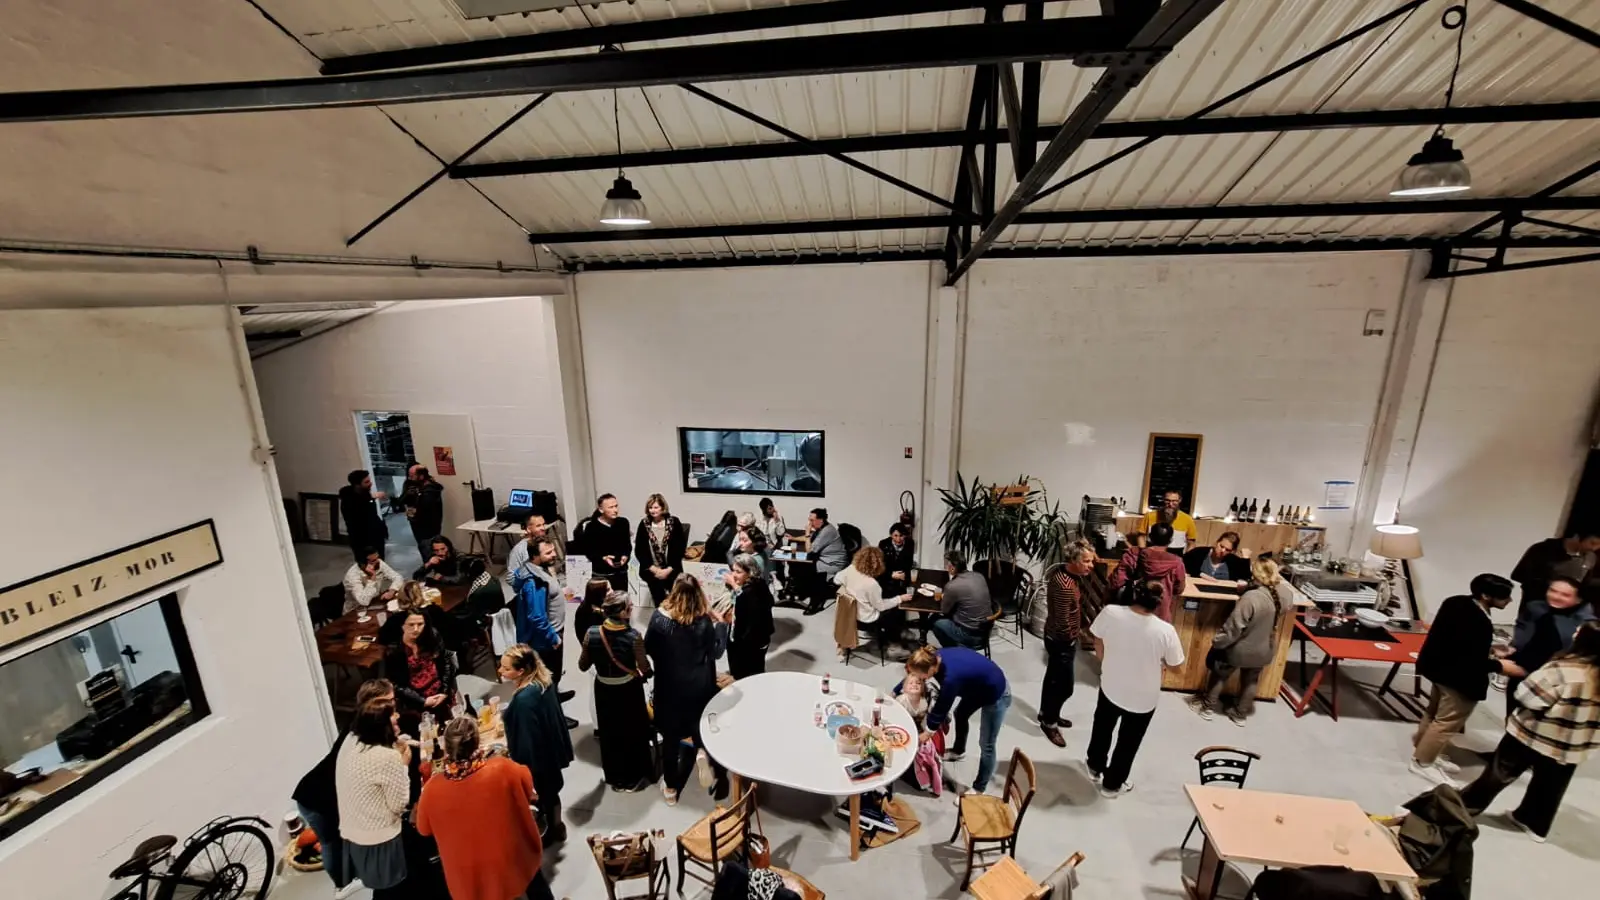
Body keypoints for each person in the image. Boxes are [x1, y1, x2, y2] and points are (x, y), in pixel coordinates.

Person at [1458, 621, 1600, 843]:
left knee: (1497, 775)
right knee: (1551, 786)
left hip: (1532, 735)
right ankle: (1533, 823)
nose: (1574, 631)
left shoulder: (1563, 670)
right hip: (1572, 746)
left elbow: (1528, 696)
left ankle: (1461, 809)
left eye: (1579, 630)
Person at [415, 717, 556, 900]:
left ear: (446, 749)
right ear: (477, 742)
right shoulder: (502, 769)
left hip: (469, 876)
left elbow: (423, 828)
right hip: (514, 859)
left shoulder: (431, 790)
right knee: (536, 886)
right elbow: (528, 786)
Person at [1407, 573, 1518, 784]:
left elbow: (1457, 641)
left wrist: (1490, 649)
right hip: (1457, 679)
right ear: (1486, 596)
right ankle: (1423, 762)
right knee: (1446, 722)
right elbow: (1468, 659)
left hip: (1437, 669)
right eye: (1505, 596)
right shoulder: (1478, 620)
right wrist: (1500, 666)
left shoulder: (1456, 602)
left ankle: (1425, 750)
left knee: (1433, 713)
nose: (1510, 601)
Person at [292, 679, 394, 898]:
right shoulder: (360, 732)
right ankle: (342, 886)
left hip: (325, 794)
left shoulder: (365, 723)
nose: (394, 706)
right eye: (389, 701)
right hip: (316, 799)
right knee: (331, 843)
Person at [1087, 580, 1185, 799]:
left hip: (1111, 684)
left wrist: (1105, 660)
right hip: (1143, 697)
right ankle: (1112, 785)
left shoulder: (1111, 613)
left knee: (1102, 727)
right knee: (1128, 742)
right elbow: (1177, 667)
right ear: (1159, 603)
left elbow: (1097, 639)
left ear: (1133, 594)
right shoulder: (1165, 631)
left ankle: (1094, 766)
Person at [645, 573, 731, 805]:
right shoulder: (702, 623)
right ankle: (702, 751)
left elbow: (649, 647)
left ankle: (671, 788)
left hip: (669, 685)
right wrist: (722, 625)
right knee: (697, 722)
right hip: (698, 684)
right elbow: (715, 652)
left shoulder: (660, 620)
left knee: (670, 738)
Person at [1187, 559, 1294, 726]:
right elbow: (1279, 602)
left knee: (1220, 674)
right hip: (1264, 649)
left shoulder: (1251, 598)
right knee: (1251, 680)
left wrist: (1217, 642)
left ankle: (1207, 708)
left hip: (1239, 649)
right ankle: (1240, 715)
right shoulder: (1285, 593)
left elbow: (1233, 628)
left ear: (1255, 574)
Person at [905, 645, 1011, 794]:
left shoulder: (951, 678)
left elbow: (942, 707)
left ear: (931, 670)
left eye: (922, 677)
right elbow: (913, 677)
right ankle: (959, 751)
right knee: (960, 714)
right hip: (977, 686)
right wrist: (895, 692)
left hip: (996, 693)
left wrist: (926, 733)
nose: (921, 680)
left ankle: (979, 788)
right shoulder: (931, 657)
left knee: (987, 744)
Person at [578, 591, 656, 792]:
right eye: (630, 606)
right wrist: (646, 673)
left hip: (604, 689)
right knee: (632, 731)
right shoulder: (633, 637)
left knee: (610, 732)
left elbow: (583, 665)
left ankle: (615, 777)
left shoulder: (591, 633)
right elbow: (645, 667)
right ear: (623, 612)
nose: (632, 608)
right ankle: (633, 777)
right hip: (628, 690)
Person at [334, 698, 412, 900]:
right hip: (382, 840)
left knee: (382, 891)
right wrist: (403, 765)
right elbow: (399, 804)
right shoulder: (387, 757)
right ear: (382, 727)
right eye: (393, 720)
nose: (398, 720)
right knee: (395, 890)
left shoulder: (355, 746)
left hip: (356, 838)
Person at [499, 644, 574, 844]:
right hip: (550, 751)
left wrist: (523, 770)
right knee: (552, 793)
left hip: (538, 760)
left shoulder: (524, 700)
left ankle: (550, 831)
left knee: (544, 795)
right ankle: (557, 826)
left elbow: (527, 740)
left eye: (506, 668)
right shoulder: (543, 682)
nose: (500, 671)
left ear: (521, 671)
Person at [511, 536, 577, 728]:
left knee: (553, 675)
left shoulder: (540, 569)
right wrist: (553, 637)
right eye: (548, 553)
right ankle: (555, 716)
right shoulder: (534, 582)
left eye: (553, 550)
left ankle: (555, 696)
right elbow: (537, 616)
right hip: (545, 640)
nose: (554, 554)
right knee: (547, 678)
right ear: (534, 556)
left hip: (552, 633)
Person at [1039, 544, 1095, 747]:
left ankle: (1046, 713)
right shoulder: (1064, 584)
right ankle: (1049, 723)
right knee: (1064, 687)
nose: (1091, 565)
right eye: (1086, 561)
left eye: (1091, 560)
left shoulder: (1070, 575)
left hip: (1057, 636)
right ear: (1073, 561)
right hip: (1061, 640)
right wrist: (1072, 638)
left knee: (1053, 679)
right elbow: (1062, 619)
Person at [384, 609, 462, 733]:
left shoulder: (432, 636)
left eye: (420, 624)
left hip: (441, 690)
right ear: (402, 626)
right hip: (416, 699)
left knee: (455, 726)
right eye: (411, 625)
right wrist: (423, 701)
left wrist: (444, 691)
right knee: (430, 733)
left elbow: (447, 662)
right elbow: (396, 685)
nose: (416, 629)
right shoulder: (394, 650)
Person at [833, 545, 906, 661]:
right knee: (895, 611)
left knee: (887, 604)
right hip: (866, 620)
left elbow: (836, 579)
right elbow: (881, 607)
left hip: (849, 616)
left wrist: (849, 590)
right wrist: (899, 599)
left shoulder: (851, 569)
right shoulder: (872, 584)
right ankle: (894, 646)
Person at [1108, 523, 1187, 621]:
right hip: (1160, 615)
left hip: (1133, 610)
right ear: (1170, 541)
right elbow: (1179, 589)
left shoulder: (1134, 554)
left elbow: (1117, 581)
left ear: (1150, 537)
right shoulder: (1177, 562)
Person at [1511, 529, 1599, 609]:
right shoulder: (1543, 549)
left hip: (1565, 611)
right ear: (1577, 537)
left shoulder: (1591, 557)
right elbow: (1519, 575)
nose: (1594, 548)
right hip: (1535, 606)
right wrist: (1553, 587)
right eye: (1592, 543)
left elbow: (1585, 583)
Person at [726, 555, 776, 678]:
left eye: (738, 572)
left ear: (750, 573)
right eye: (733, 570)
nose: (733, 575)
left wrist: (735, 586)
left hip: (750, 641)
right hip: (748, 637)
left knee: (746, 674)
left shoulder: (752, 589)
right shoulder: (757, 583)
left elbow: (751, 607)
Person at [932, 551, 992, 650]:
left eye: (946, 564)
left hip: (969, 635)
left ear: (952, 568)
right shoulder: (979, 576)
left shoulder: (952, 586)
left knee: (934, 621)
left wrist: (945, 597)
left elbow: (944, 611)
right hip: (985, 632)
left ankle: (955, 651)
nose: (945, 567)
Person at [634, 493, 687, 604]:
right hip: (651, 569)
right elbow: (639, 550)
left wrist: (668, 570)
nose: (652, 510)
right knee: (659, 598)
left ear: (663, 507)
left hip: (672, 568)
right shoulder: (644, 524)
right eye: (650, 507)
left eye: (656, 507)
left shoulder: (674, 522)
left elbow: (680, 548)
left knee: (676, 599)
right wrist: (655, 570)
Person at [579, 493, 632, 591]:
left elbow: (627, 545)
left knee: (621, 598)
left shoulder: (623, 523)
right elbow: (588, 551)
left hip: (621, 573)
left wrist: (625, 556)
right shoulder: (591, 527)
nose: (615, 510)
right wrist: (603, 558)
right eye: (611, 507)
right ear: (601, 509)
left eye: (616, 506)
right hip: (601, 575)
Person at [803, 508, 849, 615]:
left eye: (812, 520)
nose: (809, 523)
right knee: (803, 566)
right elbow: (811, 541)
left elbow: (810, 549)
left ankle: (816, 602)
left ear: (821, 520)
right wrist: (794, 538)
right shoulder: (821, 529)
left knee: (810, 569)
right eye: (809, 520)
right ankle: (805, 592)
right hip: (825, 560)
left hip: (833, 563)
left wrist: (807, 533)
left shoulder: (827, 531)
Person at [339, 469, 388, 562]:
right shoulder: (350, 502)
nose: (370, 483)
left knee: (380, 563)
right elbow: (358, 523)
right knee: (369, 565)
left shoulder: (364, 494)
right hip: (365, 541)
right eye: (366, 482)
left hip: (376, 537)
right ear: (357, 485)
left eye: (369, 480)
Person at [399, 466, 444, 560]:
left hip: (428, 526)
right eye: (409, 476)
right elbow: (402, 501)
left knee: (429, 548)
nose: (410, 478)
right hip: (416, 523)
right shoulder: (413, 486)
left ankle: (433, 565)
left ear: (421, 476)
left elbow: (424, 507)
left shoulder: (430, 490)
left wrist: (416, 497)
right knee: (423, 547)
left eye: (412, 476)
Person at [343, 547, 403, 614]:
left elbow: (398, 577)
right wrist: (372, 580)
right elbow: (364, 601)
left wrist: (391, 591)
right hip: (356, 610)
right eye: (373, 561)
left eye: (378, 557)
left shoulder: (378, 562)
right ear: (363, 564)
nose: (378, 561)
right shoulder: (352, 576)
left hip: (375, 603)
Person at [1182, 531, 1249, 582]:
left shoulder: (1233, 561)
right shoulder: (1199, 552)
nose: (1223, 550)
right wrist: (1201, 574)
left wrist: (1246, 559)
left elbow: (1245, 578)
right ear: (1217, 542)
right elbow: (1183, 563)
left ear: (1232, 551)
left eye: (1227, 550)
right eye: (1221, 546)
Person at [504, 512, 550, 577]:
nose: (543, 528)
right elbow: (511, 577)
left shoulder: (542, 543)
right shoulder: (519, 550)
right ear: (528, 529)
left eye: (543, 524)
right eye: (538, 526)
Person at [878, 523, 917, 598]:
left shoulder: (910, 543)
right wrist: (891, 574)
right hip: (887, 577)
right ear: (891, 535)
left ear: (905, 535)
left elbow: (909, 563)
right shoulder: (883, 544)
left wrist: (902, 574)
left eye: (901, 535)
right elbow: (880, 565)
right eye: (895, 536)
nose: (898, 539)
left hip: (902, 577)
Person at [573, 577, 611, 648]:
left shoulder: (587, 606)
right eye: (608, 590)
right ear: (599, 593)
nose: (612, 591)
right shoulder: (593, 614)